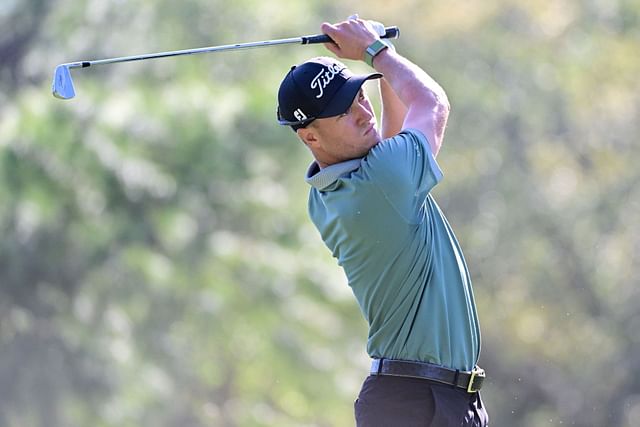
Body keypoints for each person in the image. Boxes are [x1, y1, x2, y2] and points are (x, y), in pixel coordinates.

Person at [276, 16, 489, 427]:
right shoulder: (380, 185)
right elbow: (430, 104)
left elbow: (389, 139)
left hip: (427, 400)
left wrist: (377, 54)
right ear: (311, 138)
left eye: (359, 95)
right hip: (417, 404)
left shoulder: (335, 192)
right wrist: (376, 51)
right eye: (343, 111)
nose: (361, 113)